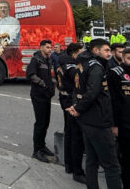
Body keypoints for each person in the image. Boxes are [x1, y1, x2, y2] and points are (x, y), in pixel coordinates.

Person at [68, 37, 122, 189]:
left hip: (87, 119)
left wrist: (77, 107)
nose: (109, 54)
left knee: (91, 160)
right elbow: (92, 92)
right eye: (106, 50)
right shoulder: (96, 67)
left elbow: (77, 90)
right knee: (112, 165)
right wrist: (78, 108)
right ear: (96, 50)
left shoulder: (82, 64)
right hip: (98, 120)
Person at [107, 46, 130, 189]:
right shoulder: (115, 73)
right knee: (127, 159)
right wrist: (114, 124)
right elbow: (112, 100)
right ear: (123, 59)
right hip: (123, 123)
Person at [56, 42, 86, 182]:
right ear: (74, 54)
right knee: (75, 136)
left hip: (65, 100)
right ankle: (75, 169)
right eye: (81, 51)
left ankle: (69, 164)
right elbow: (78, 80)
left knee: (69, 133)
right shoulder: (71, 66)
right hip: (70, 101)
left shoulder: (63, 63)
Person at [27, 39, 56, 163]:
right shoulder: (36, 60)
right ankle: (36, 150)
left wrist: (52, 86)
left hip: (46, 95)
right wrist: (42, 83)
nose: (50, 49)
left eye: (50, 47)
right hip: (38, 95)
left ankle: (42, 146)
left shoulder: (48, 60)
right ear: (41, 48)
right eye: (48, 47)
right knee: (40, 123)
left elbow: (49, 76)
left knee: (45, 122)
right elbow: (31, 74)